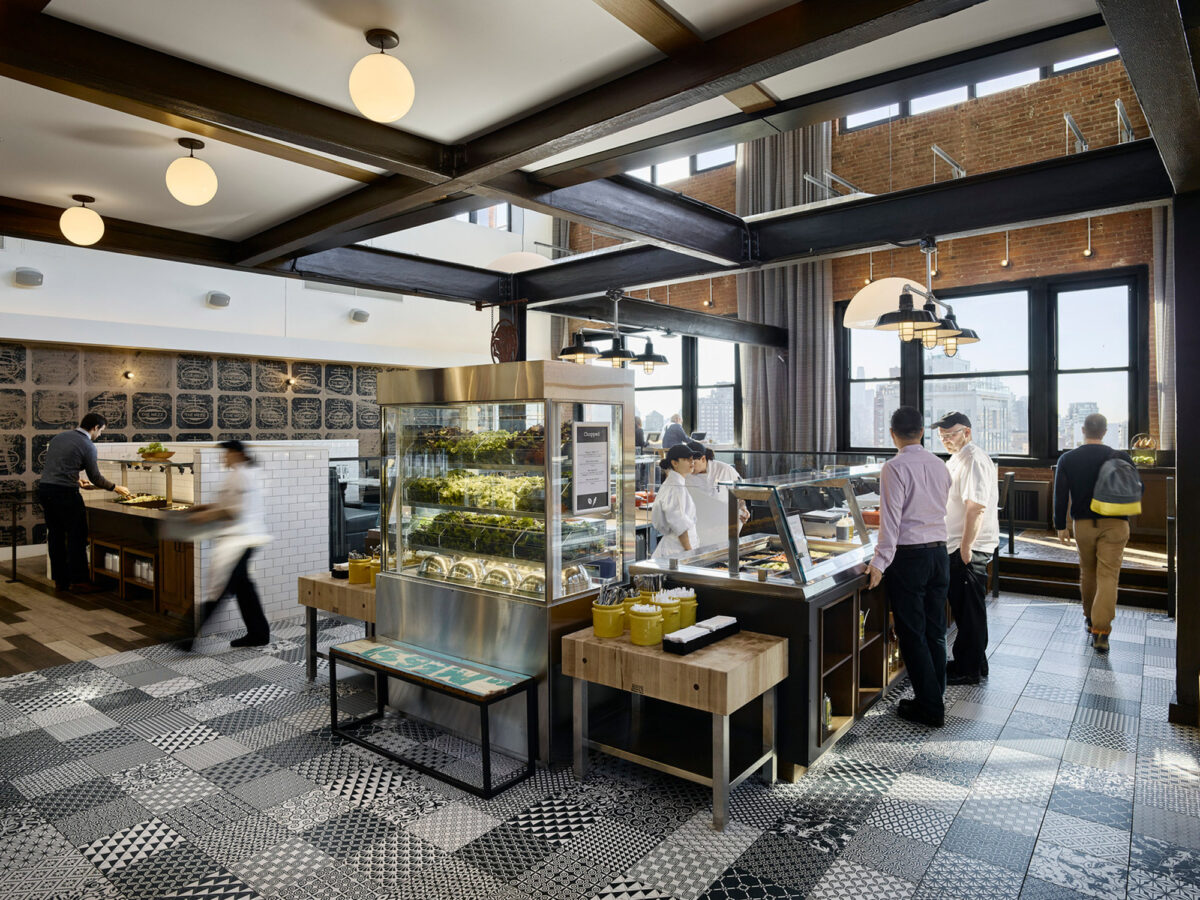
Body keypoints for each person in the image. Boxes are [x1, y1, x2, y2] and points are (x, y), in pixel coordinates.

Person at [867, 406, 952, 727]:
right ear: (921, 432)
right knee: (934, 630)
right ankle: (935, 694)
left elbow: (891, 522)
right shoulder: (939, 465)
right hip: (939, 554)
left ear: (893, 434)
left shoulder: (894, 467)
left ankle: (930, 707)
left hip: (910, 557)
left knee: (912, 633)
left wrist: (879, 562)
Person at [1054, 413, 1138, 653]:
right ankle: (1102, 631)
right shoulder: (1120, 456)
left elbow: (1060, 495)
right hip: (1116, 523)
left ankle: (1090, 621)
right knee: (1108, 575)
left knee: (1088, 572)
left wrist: (1060, 524)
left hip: (1084, 525)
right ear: (1104, 431)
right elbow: (1134, 489)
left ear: (1083, 430)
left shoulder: (1068, 459)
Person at [187, 440, 271, 648]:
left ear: (236, 454)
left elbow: (234, 510)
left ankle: (187, 635)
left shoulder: (241, 476)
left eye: (225, 454)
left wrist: (203, 517)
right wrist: (203, 508)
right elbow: (229, 504)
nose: (222, 458)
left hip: (240, 541)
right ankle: (259, 633)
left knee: (220, 587)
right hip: (245, 538)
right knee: (243, 588)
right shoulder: (243, 474)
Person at [935, 411, 999, 685]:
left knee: (970, 612)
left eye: (952, 434)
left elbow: (976, 506)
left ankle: (969, 669)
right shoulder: (957, 459)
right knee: (965, 610)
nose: (947, 440)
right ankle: (974, 663)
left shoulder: (973, 459)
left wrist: (965, 548)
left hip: (969, 548)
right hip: (958, 545)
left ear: (967, 433)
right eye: (943, 436)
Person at [38, 413, 131, 592]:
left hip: (46, 490)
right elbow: (95, 477)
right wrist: (116, 487)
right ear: (95, 427)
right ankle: (79, 581)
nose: (100, 435)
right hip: (65, 494)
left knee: (56, 536)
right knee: (77, 537)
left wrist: (76, 480)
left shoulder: (60, 437)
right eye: (101, 431)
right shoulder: (87, 444)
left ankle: (61, 580)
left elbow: (58, 465)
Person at [685, 441, 750, 526]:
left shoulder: (724, 470)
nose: (690, 466)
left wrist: (743, 508)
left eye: (693, 463)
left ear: (703, 459)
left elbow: (740, 495)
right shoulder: (685, 474)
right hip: (698, 520)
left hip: (725, 519)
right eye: (687, 463)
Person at [651, 444, 698, 559]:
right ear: (675, 463)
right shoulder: (675, 487)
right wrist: (689, 552)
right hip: (677, 550)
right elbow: (679, 524)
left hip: (678, 548)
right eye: (687, 459)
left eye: (692, 459)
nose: (692, 462)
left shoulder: (677, 483)